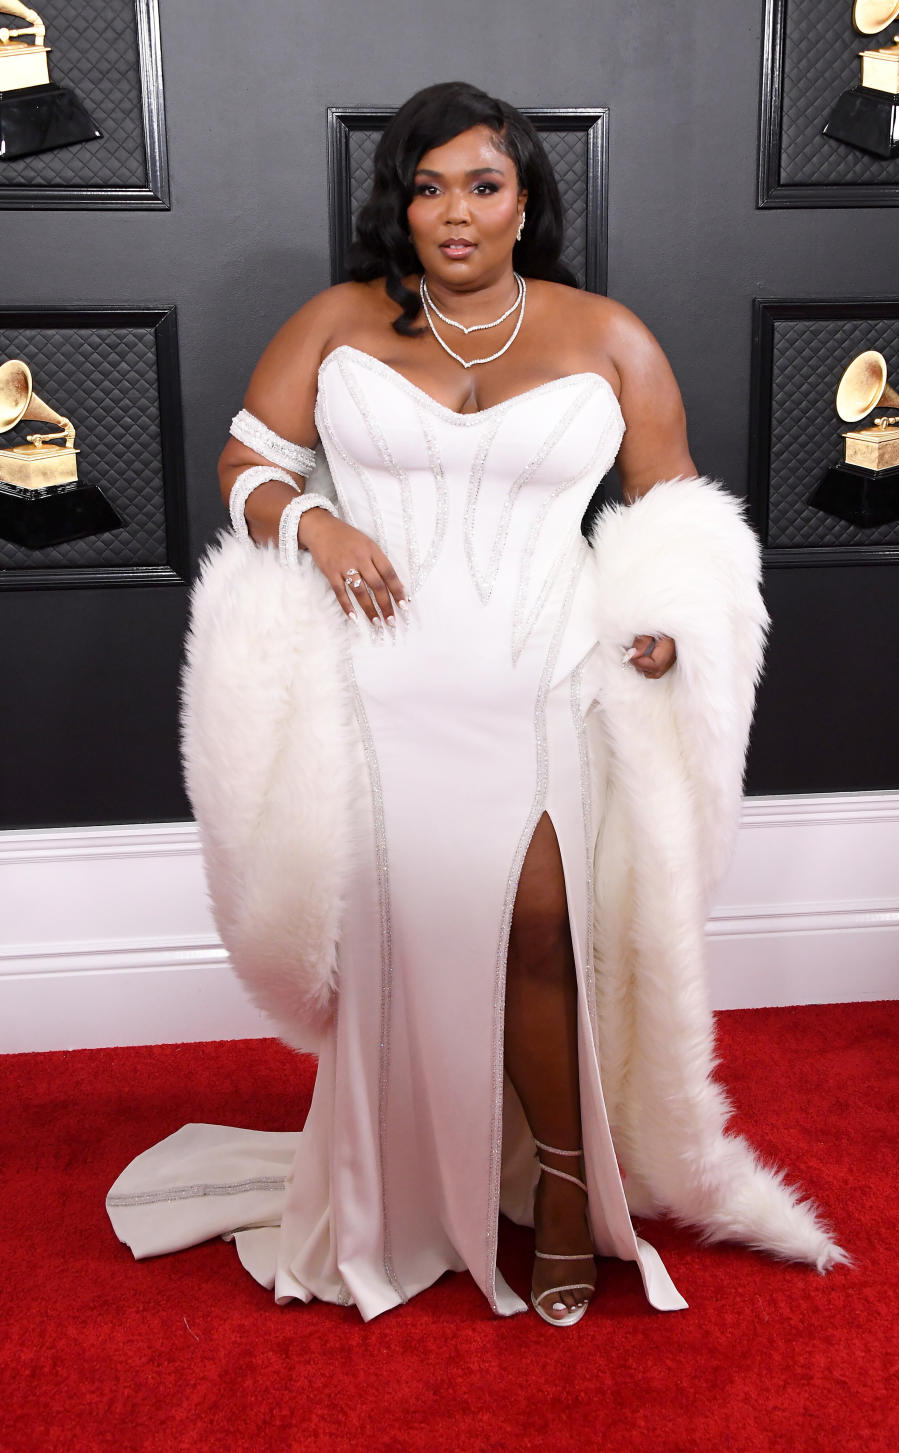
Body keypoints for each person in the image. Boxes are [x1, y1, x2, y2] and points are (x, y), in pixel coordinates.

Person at [106, 82, 847, 1325]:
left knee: (542, 933)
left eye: (483, 185)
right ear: (400, 203)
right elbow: (244, 464)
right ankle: (399, 1182)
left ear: (526, 202)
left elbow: (675, 513)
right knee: (402, 941)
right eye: (428, 185)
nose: (454, 211)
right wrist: (316, 519)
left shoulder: (607, 335)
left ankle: (564, 1189)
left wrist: (665, 622)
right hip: (377, 691)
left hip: (542, 677)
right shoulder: (337, 322)